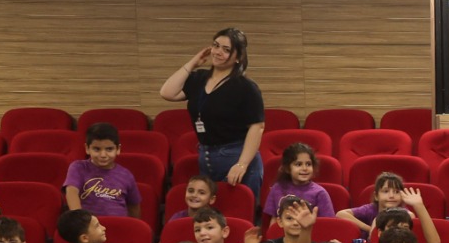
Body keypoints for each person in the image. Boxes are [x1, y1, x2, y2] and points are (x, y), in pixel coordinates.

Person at [162, 26, 266, 201]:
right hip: (207, 155)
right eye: (216, 46)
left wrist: (242, 164)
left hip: (236, 155)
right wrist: (193, 62)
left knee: (238, 213)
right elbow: (167, 92)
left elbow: (257, 127)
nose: (218, 52)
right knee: (213, 217)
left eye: (226, 50)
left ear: (238, 57)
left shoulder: (245, 87)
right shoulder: (198, 79)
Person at [63, 122, 140, 216]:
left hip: (118, 225)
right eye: (97, 149)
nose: (103, 155)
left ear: (118, 149)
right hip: (88, 226)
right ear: (87, 148)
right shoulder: (78, 167)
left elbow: (134, 206)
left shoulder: (126, 175)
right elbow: (71, 191)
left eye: (109, 149)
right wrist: (81, 220)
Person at [261, 142, 335, 222]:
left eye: (308, 164)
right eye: (298, 164)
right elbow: (274, 219)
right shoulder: (277, 188)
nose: (304, 168)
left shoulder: (320, 193)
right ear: (287, 168)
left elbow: (328, 223)